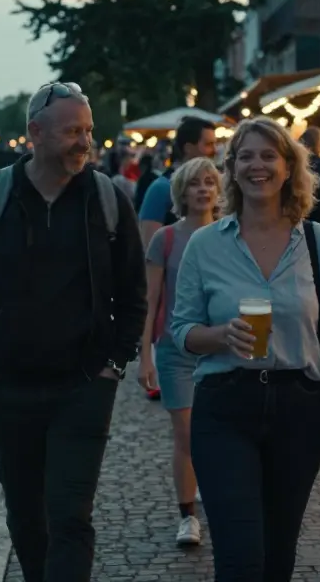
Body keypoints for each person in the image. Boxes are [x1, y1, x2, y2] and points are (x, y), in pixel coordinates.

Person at [0, 81, 147, 582]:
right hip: (9, 387)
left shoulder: (107, 200)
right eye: (72, 131)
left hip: (84, 385)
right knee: (26, 515)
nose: (85, 141)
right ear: (35, 133)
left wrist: (114, 363)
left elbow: (133, 290)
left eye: (88, 130)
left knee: (70, 515)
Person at [170, 116, 320, 581]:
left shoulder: (317, 243)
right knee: (240, 558)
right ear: (231, 169)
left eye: (268, 156)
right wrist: (219, 336)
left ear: (288, 167)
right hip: (225, 406)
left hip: (298, 408)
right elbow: (181, 330)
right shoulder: (204, 244)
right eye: (245, 156)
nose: (257, 166)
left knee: (278, 556)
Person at [137, 156, 222, 547]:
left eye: (209, 182)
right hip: (174, 350)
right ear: (181, 193)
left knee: (220, 432)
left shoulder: (228, 235)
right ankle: (187, 516)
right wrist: (144, 356)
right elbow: (150, 300)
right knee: (186, 434)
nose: (203, 189)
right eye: (194, 184)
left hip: (220, 348)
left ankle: (216, 491)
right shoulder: (165, 239)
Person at [139, 116, 218, 244]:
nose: (215, 150)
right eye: (209, 144)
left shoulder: (214, 187)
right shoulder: (161, 189)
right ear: (188, 148)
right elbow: (148, 246)